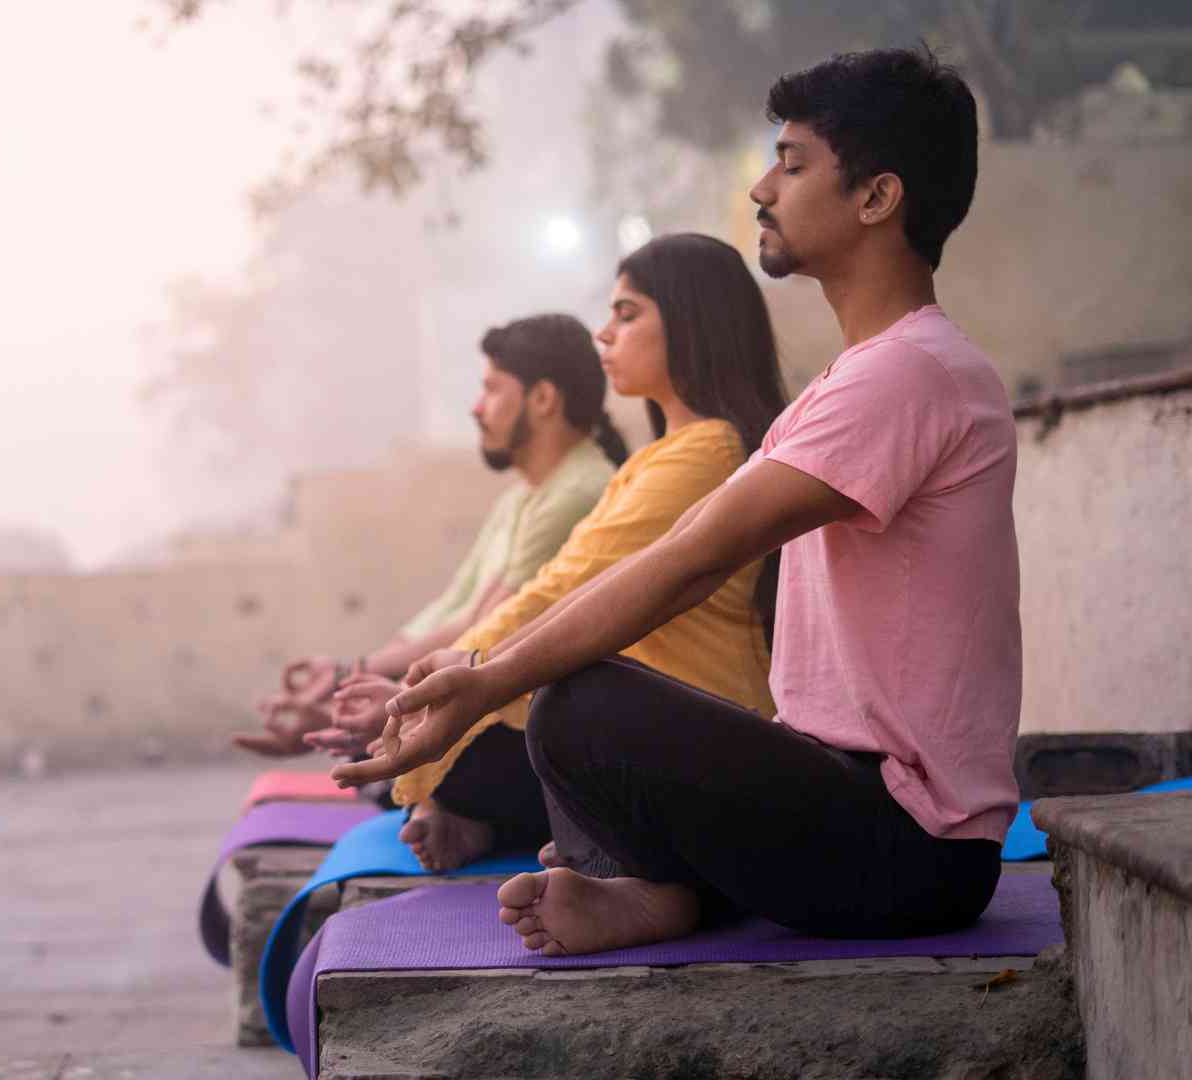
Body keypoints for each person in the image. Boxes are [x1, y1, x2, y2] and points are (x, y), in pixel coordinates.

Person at [335, 46, 1017, 955]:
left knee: (577, 701)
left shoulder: (911, 373)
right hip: (844, 799)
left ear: (877, 198)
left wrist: (489, 680)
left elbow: (689, 560)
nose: (764, 188)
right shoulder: (851, 381)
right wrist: (480, 670)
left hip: (912, 848)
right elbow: (665, 551)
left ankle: (648, 886)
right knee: (584, 701)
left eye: (794, 163)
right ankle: (659, 890)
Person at [317, 233, 787, 872]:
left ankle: (557, 841)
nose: (605, 334)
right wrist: (435, 683)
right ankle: (507, 826)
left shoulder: (707, 454)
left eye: (628, 314)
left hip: (700, 726)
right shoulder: (665, 456)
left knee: (547, 722)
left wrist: (445, 685)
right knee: (493, 729)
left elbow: (570, 587)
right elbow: (545, 591)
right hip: (656, 721)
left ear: (691, 320)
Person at [232, 314, 624, 756]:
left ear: (543, 398)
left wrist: (363, 689)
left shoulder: (577, 492)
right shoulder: (520, 499)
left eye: (492, 388)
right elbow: (451, 611)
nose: (477, 407)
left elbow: (480, 629)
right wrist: (349, 685)